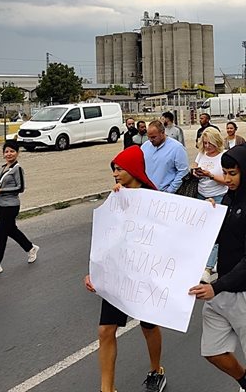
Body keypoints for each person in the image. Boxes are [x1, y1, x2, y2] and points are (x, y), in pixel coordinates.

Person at [189, 143, 246, 392]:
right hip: (222, 292)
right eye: (224, 173)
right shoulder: (228, 198)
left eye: (232, 173)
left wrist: (216, 286)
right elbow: (220, 237)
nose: (227, 179)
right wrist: (209, 217)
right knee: (212, 352)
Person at [84, 145, 166, 392]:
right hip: (118, 276)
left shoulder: (155, 199)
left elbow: (171, 234)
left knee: (148, 325)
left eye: (119, 169)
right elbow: (106, 240)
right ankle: (106, 388)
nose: (115, 174)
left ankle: (156, 370)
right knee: (106, 330)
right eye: (114, 169)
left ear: (133, 169)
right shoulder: (115, 198)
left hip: (144, 275)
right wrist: (94, 272)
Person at [0, 141, 39, 277]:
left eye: (12, 151)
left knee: (0, 234)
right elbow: (0, 185)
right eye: (6, 151)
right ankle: (30, 248)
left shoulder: (17, 168)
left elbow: (20, 188)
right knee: (11, 230)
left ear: (17, 153)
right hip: (1, 205)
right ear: (3, 154)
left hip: (11, 206)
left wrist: (0, 190)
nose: (9, 154)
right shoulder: (3, 167)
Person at [192, 128, 228, 283]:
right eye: (205, 143)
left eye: (210, 144)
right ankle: (203, 261)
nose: (207, 146)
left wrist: (210, 175)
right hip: (201, 195)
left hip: (218, 196)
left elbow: (227, 179)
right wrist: (196, 172)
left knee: (214, 233)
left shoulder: (223, 156)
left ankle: (207, 268)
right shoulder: (201, 154)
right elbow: (194, 165)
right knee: (201, 232)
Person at [141, 120, 189, 193]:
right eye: (149, 137)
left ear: (162, 133)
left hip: (165, 195)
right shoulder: (145, 146)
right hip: (147, 192)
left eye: (153, 137)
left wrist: (171, 189)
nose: (151, 140)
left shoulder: (177, 148)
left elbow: (183, 171)